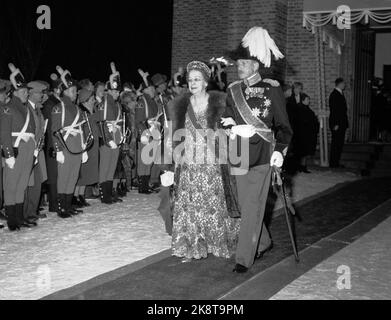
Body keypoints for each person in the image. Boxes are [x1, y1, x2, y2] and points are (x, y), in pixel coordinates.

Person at [224, 26, 292, 273]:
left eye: (243, 62)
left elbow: (284, 127)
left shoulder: (271, 88)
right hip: (239, 153)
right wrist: (231, 129)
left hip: (263, 155)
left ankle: (243, 258)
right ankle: (263, 241)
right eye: (238, 62)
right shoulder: (232, 90)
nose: (239, 66)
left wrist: (280, 150)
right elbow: (225, 119)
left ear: (255, 65)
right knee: (245, 206)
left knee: (252, 206)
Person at [169, 60, 241, 262]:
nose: (192, 83)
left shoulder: (218, 102)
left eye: (197, 79)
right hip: (189, 160)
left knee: (212, 203)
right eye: (190, 80)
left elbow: (228, 130)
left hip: (211, 159)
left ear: (205, 82)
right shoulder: (181, 104)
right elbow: (175, 133)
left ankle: (216, 242)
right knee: (190, 204)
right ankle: (192, 246)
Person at [0, 65, 37, 231]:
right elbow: (4, 133)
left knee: (22, 184)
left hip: (28, 149)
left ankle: (20, 216)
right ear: (14, 92)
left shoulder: (26, 108)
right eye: (23, 91)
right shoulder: (8, 108)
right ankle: (12, 220)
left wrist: (34, 148)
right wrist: (8, 154)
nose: (26, 93)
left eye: (26, 91)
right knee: (11, 185)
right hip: (15, 149)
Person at [51, 68, 84, 218]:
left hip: (77, 144)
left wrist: (83, 149)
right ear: (64, 91)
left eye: (75, 91)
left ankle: (68, 205)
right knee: (64, 176)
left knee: (73, 176)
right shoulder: (59, 108)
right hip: (65, 145)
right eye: (72, 90)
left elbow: (81, 129)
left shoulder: (77, 108)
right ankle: (61, 207)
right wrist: (58, 150)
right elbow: (55, 130)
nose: (75, 93)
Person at [23, 81, 49, 223]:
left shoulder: (37, 109)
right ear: (31, 94)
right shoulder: (27, 109)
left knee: (37, 182)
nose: (42, 95)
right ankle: (26, 213)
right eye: (39, 92)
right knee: (28, 182)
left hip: (38, 151)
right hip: (30, 151)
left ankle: (32, 211)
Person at [96, 74, 123, 204]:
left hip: (115, 138)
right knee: (105, 168)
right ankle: (104, 195)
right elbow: (102, 123)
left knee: (112, 167)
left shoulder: (116, 105)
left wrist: (120, 135)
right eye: (115, 91)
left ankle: (109, 193)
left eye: (118, 91)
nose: (117, 94)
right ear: (109, 91)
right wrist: (108, 140)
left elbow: (119, 122)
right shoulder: (104, 104)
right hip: (107, 140)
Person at [74, 88, 99, 207]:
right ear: (85, 101)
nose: (94, 101)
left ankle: (81, 195)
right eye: (92, 99)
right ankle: (76, 195)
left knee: (87, 172)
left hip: (92, 145)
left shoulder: (90, 111)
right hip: (85, 145)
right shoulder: (81, 112)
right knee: (82, 172)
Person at [295, 94, 319, 173]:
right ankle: (301, 167)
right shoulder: (300, 109)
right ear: (303, 100)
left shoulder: (307, 109)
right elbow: (302, 121)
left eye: (309, 99)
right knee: (302, 152)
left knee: (304, 152)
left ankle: (303, 166)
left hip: (307, 133)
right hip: (303, 134)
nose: (309, 101)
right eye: (307, 99)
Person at [329, 77, 349, 168]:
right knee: (336, 143)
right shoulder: (334, 94)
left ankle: (336, 162)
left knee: (339, 143)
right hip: (337, 123)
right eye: (344, 83)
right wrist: (336, 124)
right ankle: (333, 163)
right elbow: (335, 110)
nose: (345, 85)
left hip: (341, 123)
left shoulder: (340, 93)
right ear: (339, 84)